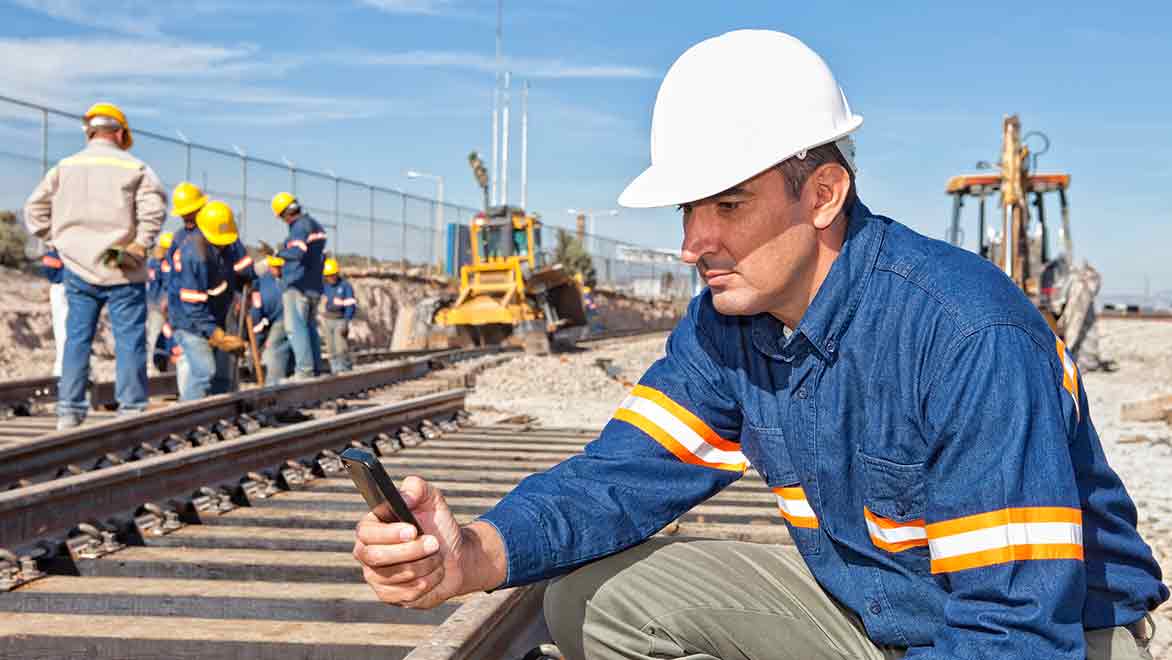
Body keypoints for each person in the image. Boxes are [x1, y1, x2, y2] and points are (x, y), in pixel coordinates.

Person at [351, 30, 1167, 660]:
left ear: (823, 194)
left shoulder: (965, 335)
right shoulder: (730, 325)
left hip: (1059, 638)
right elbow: (619, 478)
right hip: (878, 619)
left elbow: (1014, 630)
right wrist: (471, 552)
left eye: (729, 206)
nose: (692, 243)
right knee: (590, 601)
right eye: (688, 210)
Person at [23, 102, 166, 430]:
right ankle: (131, 411)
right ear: (120, 133)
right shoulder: (136, 167)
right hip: (121, 265)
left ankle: (69, 411)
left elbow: (34, 211)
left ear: (90, 132)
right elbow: (153, 211)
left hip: (77, 265)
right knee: (129, 340)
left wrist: (60, 240)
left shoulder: (65, 167)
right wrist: (140, 243)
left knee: (76, 339)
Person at [168, 200, 247, 399]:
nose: (223, 244)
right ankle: (189, 416)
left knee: (222, 375)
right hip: (190, 321)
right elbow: (192, 305)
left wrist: (246, 278)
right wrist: (216, 335)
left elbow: (241, 267)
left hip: (216, 314)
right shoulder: (194, 255)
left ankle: (217, 413)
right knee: (204, 372)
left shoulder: (227, 243)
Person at [271, 192, 327, 379]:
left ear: (285, 214)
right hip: (314, 285)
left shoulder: (299, 227)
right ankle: (315, 368)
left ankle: (304, 371)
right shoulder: (314, 224)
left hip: (298, 285)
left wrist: (277, 253)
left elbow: (297, 252)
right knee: (309, 328)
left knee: (295, 328)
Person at [164, 182, 209, 397]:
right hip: (190, 314)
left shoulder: (182, 237)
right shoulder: (193, 238)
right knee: (203, 371)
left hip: (189, 312)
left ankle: (190, 406)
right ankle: (190, 410)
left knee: (193, 367)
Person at [250, 255, 292, 385]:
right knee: (255, 345)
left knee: (273, 347)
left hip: (282, 317)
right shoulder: (262, 282)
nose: (278, 270)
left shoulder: (285, 280)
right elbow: (256, 313)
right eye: (275, 267)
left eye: (280, 267)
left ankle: (274, 379)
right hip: (264, 318)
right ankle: (255, 373)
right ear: (269, 267)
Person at [321, 257, 357, 374]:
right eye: (328, 276)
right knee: (331, 348)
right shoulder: (325, 286)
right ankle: (335, 370)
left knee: (341, 347)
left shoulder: (345, 286)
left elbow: (351, 305)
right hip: (328, 320)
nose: (330, 278)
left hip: (340, 320)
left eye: (332, 275)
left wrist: (346, 321)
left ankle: (345, 369)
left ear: (337, 273)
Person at [146, 231, 173, 373]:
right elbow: (168, 284)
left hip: (152, 303)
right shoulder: (165, 263)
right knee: (159, 335)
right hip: (162, 305)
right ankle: (152, 366)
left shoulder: (152, 262)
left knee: (154, 336)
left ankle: (155, 364)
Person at [39, 246, 68, 377]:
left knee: (62, 331)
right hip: (71, 286)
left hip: (62, 287)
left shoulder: (58, 246)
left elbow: (48, 266)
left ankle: (62, 372)